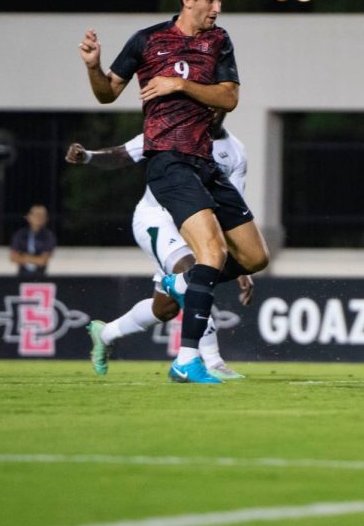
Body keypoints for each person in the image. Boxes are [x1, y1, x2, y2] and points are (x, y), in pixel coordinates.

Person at [78, 0, 270, 384]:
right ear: (188, 0)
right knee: (212, 254)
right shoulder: (147, 40)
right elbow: (107, 93)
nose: (217, 8)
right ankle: (189, 360)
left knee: (255, 256)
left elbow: (230, 97)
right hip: (168, 160)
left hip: (204, 165)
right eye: (211, 0)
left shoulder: (218, 41)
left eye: (220, 0)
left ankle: (183, 283)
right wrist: (93, 67)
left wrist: (179, 85)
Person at [65, 111, 255, 380]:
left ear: (225, 108)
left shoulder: (236, 152)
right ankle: (213, 362)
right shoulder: (170, 133)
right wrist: (87, 156)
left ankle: (105, 333)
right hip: (158, 218)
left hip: (197, 226)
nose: (211, 109)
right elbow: (122, 154)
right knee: (193, 275)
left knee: (165, 308)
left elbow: (232, 209)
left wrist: (241, 264)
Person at [9, 204, 56, 277]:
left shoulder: (48, 236)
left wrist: (24, 257)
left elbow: (43, 261)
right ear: (29, 217)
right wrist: (36, 259)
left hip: (41, 276)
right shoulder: (20, 234)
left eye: (42, 215)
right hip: (21, 275)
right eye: (36, 215)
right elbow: (13, 257)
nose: (39, 218)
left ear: (46, 218)